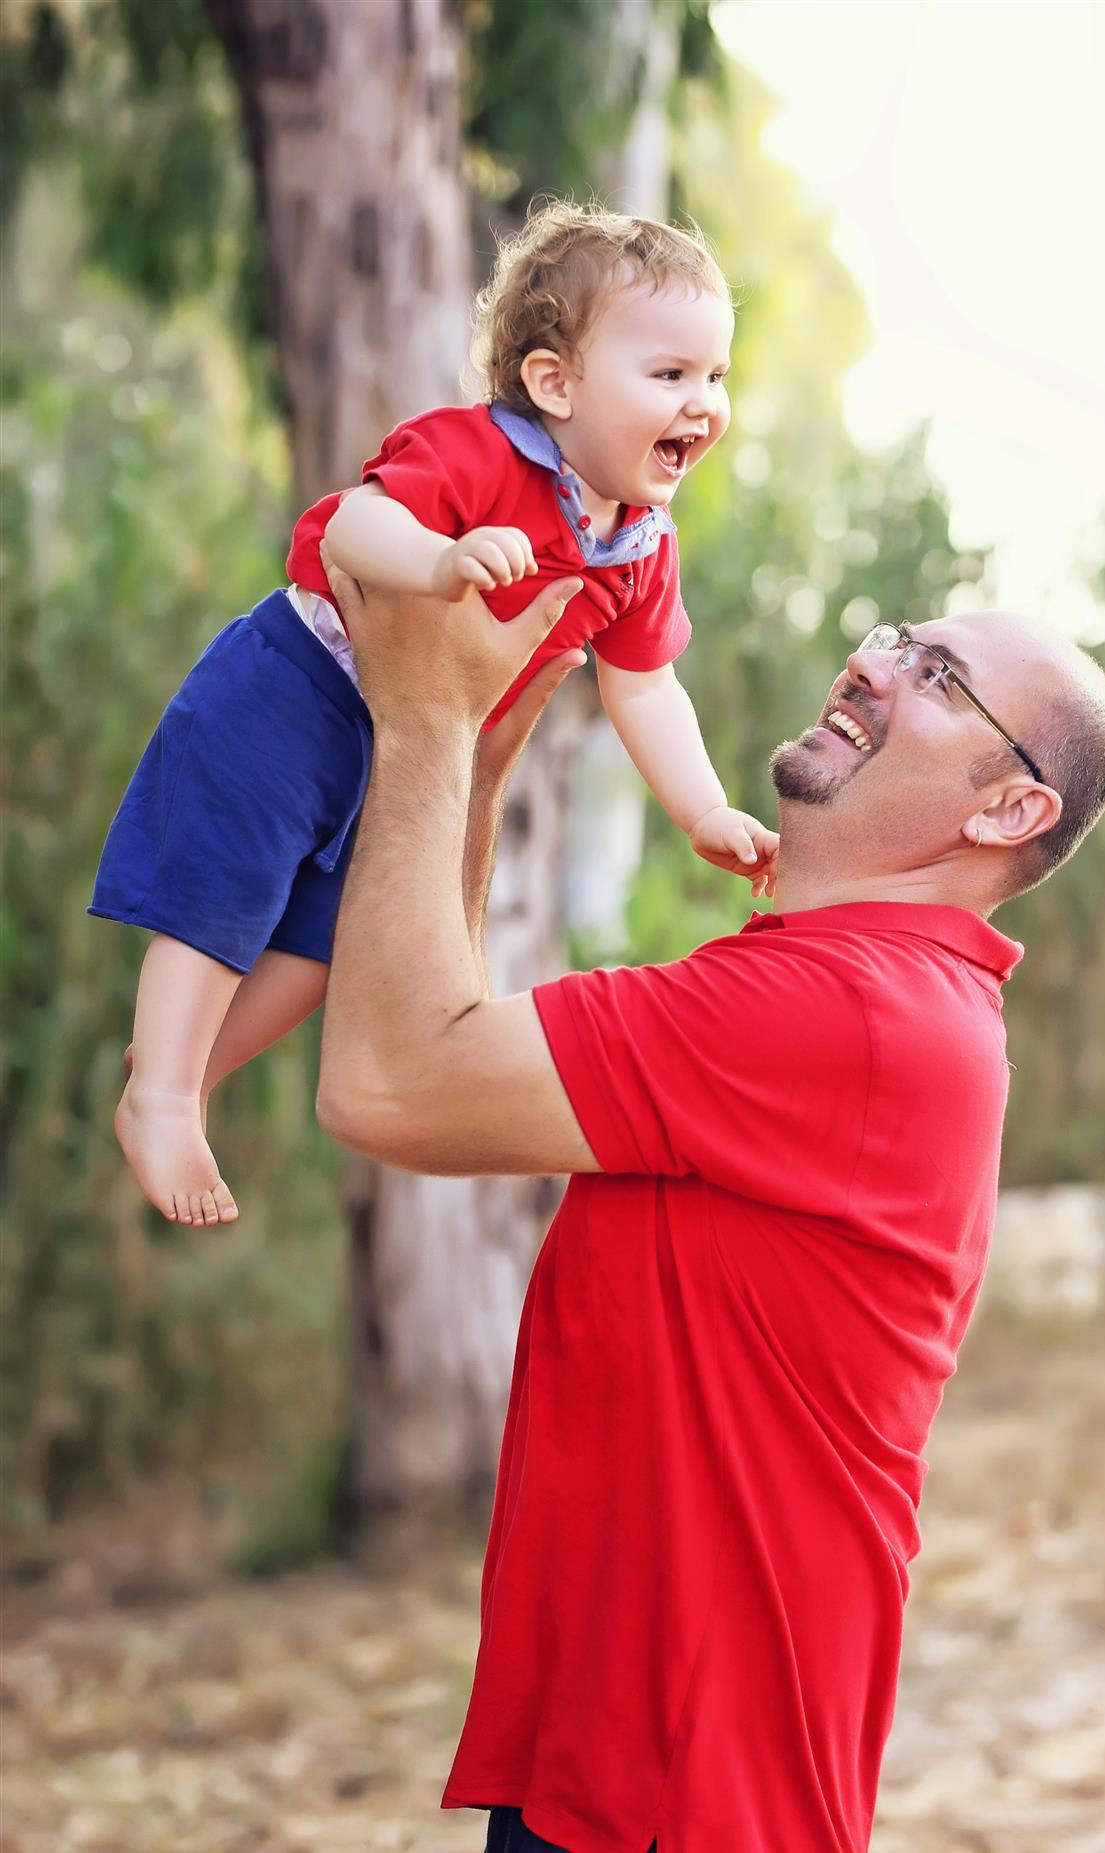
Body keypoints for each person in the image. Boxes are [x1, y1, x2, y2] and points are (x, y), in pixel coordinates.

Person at [313, 552, 1105, 1853]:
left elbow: (388, 1082)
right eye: (900, 636)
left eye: (941, 678)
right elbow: (436, 1039)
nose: (876, 662)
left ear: (1009, 810)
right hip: (604, 1808)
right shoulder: (843, 990)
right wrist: (477, 750)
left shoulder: (851, 1014)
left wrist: (423, 716)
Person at [89, 201, 775, 1229]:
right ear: (555, 383)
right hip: (297, 684)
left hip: (399, 746)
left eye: (715, 376)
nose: (704, 404)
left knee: (328, 943)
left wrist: (703, 809)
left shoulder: (640, 546)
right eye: (670, 374)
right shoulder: (476, 453)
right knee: (229, 886)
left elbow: (644, 685)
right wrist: (441, 558)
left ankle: (182, 1067)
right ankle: (165, 1095)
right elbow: (352, 526)